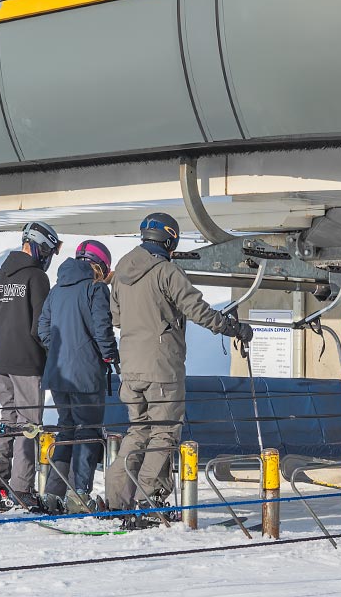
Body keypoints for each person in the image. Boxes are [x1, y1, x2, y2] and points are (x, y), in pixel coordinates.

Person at [105, 212, 253, 527]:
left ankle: (117, 501)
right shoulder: (167, 272)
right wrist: (234, 328)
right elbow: (198, 311)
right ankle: (149, 504)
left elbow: (116, 318)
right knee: (163, 432)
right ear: (170, 240)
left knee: (138, 431)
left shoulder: (120, 272)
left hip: (130, 367)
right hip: (161, 367)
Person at [0, 221, 62, 510]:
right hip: (27, 360)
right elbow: (42, 325)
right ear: (40, 247)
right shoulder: (36, 278)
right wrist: (49, 356)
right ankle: (21, 487)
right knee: (29, 424)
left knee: (8, 419)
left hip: (0, 358)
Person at [38, 240, 119, 514]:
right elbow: (102, 330)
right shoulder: (95, 290)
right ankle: (80, 495)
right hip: (86, 375)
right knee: (87, 432)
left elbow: (43, 330)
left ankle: (52, 495)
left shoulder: (56, 290)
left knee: (66, 428)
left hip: (58, 373)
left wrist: (62, 352)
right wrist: (109, 356)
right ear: (98, 265)